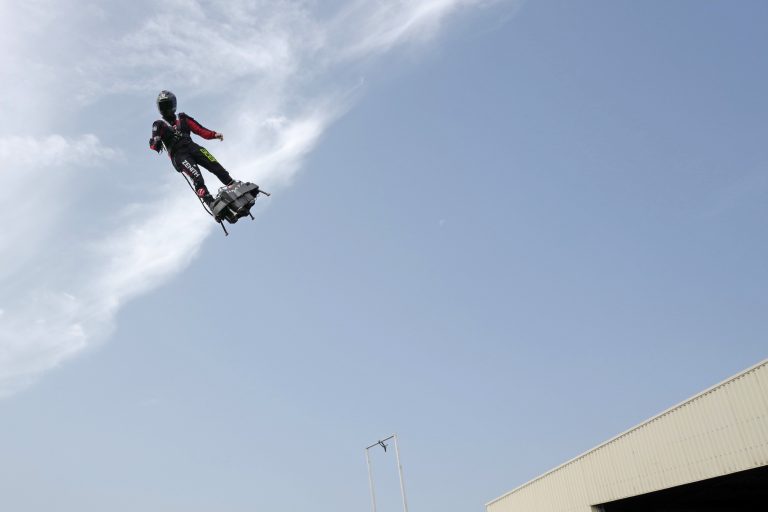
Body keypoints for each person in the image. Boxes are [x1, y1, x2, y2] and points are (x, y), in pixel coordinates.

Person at [149, 90, 238, 206]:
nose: (166, 108)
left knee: (214, 164)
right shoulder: (159, 124)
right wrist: (156, 142)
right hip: (179, 155)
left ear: (173, 105)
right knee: (197, 178)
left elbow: (199, 129)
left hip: (192, 146)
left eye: (167, 105)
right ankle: (211, 203)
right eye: (163, 106)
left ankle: (232, 185)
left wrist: (214, 134)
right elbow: (153, 143)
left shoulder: (182, 118)